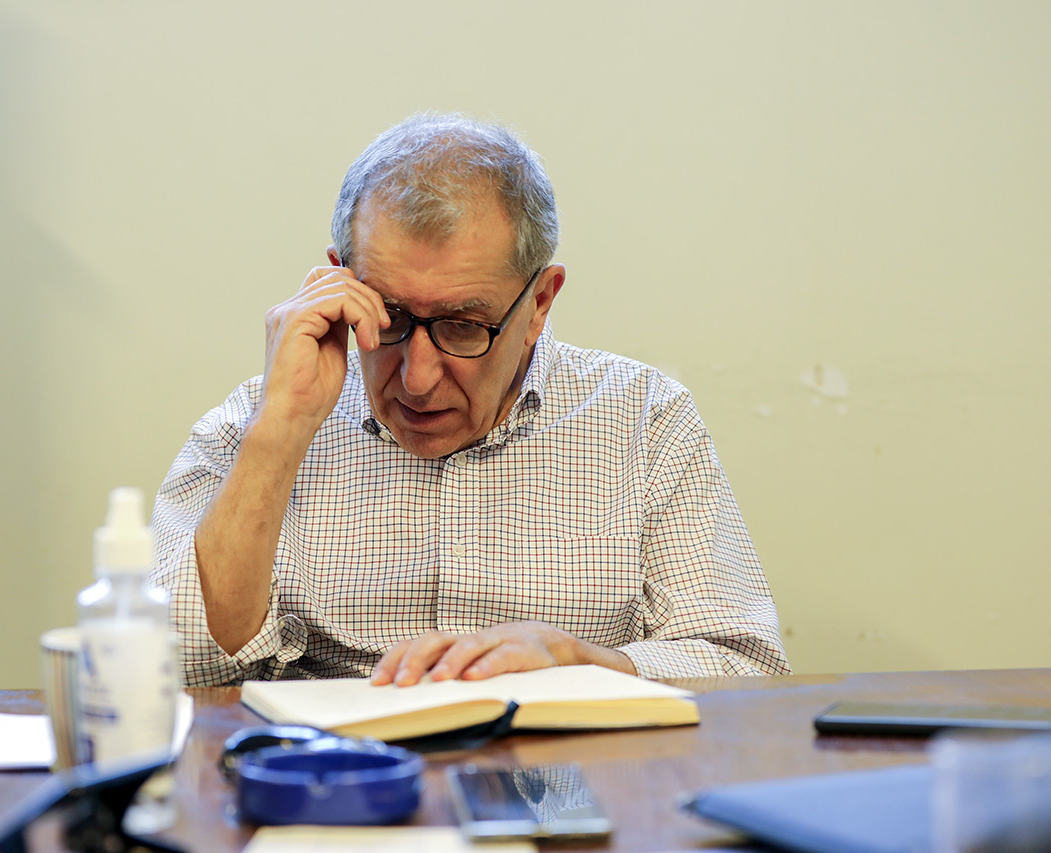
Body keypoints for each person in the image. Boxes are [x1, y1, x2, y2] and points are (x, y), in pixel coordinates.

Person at [151, 113, 789, 687]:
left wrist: (582, 663)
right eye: (389, 317)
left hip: (562, 770)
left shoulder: (644, 419)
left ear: (539, 303)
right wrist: (278, 434)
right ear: (339, 282)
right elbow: (165, 668)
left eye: (462, 326)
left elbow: (748, 669)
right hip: (337, 769)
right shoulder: (255, 421)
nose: (417, 378)